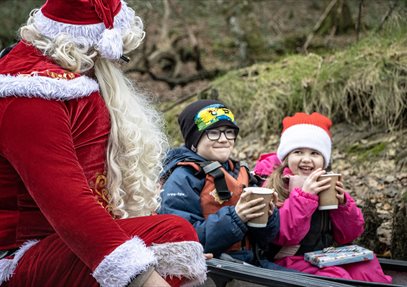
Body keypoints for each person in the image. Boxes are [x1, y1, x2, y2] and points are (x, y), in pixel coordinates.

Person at [0, 0, 207, 286]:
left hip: (55, 245)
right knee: (172, 234)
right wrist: (146, 277)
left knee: (170, 237)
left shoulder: (70, 83)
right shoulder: (31, 95)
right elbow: (69, 206)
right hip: (17, 258)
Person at [254, 112, 392, 283]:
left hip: (323, 254)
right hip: (286, 258)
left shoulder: (327, 183)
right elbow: (284, 236)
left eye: (314, 153)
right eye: (298, 152)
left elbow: (348, 235)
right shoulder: (274, 184)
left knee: (366, 268)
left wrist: (343, 205)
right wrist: (305, 196)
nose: (306, 159)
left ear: (324, 160)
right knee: (335, 277)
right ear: (287, 157)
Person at [158, 99, 285, 270]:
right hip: (216, 269)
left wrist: (269, 217)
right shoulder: (183, 179)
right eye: (214, 132)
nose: (224, 139)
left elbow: (266, 240)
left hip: (254, 262)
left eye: (229, 132)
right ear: (194, 140)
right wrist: (236, 217)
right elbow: (183, 240)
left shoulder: (240, 171)